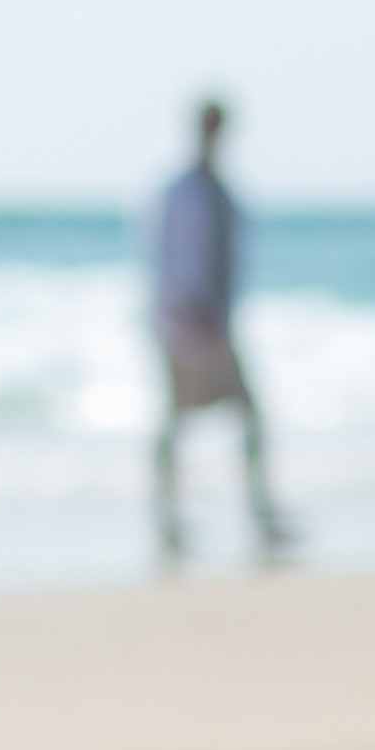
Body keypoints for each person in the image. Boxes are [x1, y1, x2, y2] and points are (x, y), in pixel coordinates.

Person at [149, 101, 292, 567]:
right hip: (187, 323)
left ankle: (257, 512)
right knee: (178, 421)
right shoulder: (183, 192)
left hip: (216, 323)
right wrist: (178, 317)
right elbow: (166, 260)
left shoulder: (220, 193)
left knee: (246, 418)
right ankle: (168, 518)